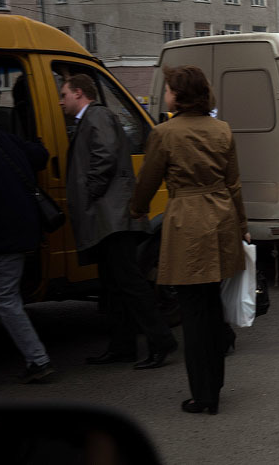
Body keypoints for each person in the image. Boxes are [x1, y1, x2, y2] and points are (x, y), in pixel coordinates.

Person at [130, 65, 248, 415]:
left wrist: (136, 208)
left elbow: (148, 181)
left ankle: (204, 395)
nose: (165, 93)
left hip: (187, 224)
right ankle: (216, 382)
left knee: (193, 311)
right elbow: (235, 184)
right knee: (212, 306)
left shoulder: (164, 133)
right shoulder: (222, 129)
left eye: (168, 88)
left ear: (179, 94)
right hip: (222, 218)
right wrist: (242, 225)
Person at [59, 74, 177, 371]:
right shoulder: (91, 118)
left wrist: (89, 192)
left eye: (64, 94)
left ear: (78, 93)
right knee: (114, 286)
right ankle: (122, 346)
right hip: (107, 218)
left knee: (131, 284)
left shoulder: (97, 115)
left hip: (112, 218)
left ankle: (161, 340)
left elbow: (105, 155)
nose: (61, 101)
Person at [0, 126, 56, 383]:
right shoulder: (7, 137)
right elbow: (40, 156)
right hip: (21, 229)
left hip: (3, 236)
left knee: (5, 299)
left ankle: (38, 360)